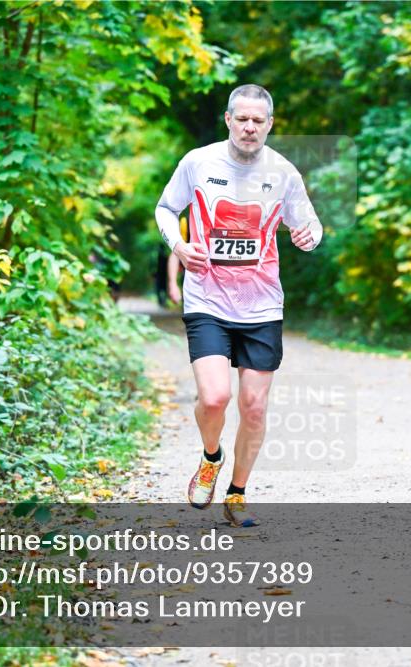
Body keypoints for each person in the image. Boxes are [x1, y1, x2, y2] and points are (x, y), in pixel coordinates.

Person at [155, 84, 323, 527]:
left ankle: (237, 493)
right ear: (228, 120)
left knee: (253, 407)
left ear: (270, 124)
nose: (250, 127)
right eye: (242, 119)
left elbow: (308, 223)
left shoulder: (284, 172)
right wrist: (178, 244)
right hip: (207, 297)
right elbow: (166, 208)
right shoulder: (198, 162)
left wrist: (309, 236)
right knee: (214, 398)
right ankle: (211, 458)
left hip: (262, 305)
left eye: (258, 121)